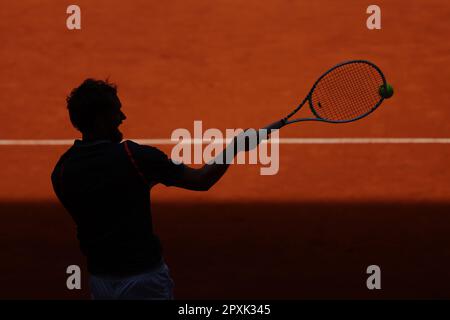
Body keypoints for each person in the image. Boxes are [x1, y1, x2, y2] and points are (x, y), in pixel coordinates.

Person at [51, 79, 261, 300]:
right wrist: (236, 146)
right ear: (100, 119)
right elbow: (201, 180)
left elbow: (105, 197)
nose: (123, 117)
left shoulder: (62, 171)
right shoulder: (135, 158)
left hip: (101, 282)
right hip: (144, 281)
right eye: (116, 111)